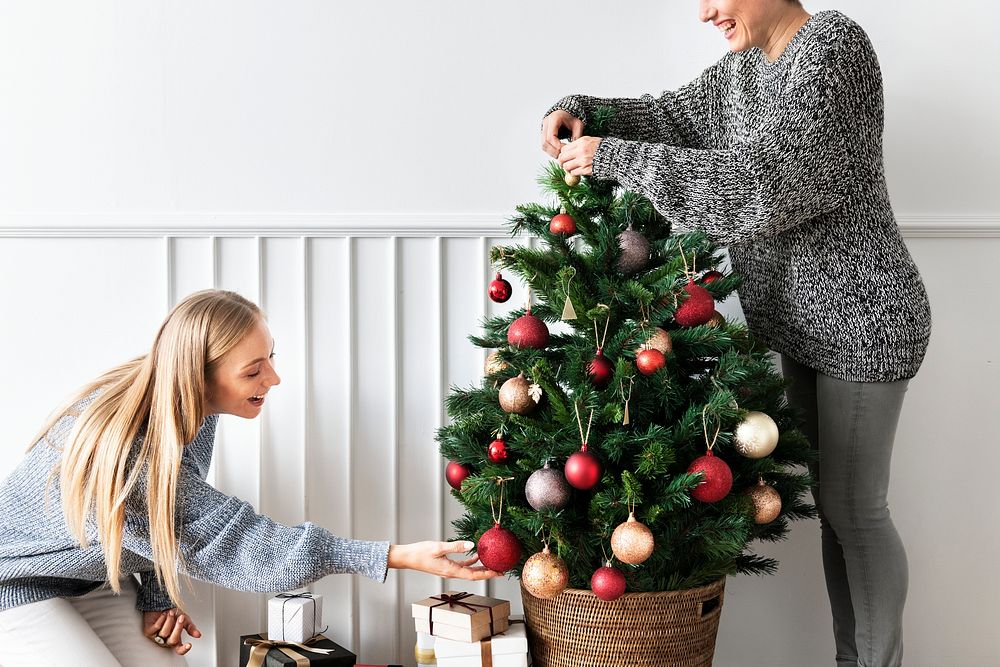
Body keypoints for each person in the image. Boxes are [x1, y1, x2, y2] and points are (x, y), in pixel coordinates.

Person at [542, 2, 931, 666]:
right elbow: (671, 117)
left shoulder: (833, 49)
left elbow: (760, 187)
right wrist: (583, 111)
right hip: (806, 327)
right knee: (840, 517)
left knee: (856, 513)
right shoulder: (746, 69)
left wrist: (616, 157)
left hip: (866, 322)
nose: (706, 11)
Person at [0, 289, 499, 666]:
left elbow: (161, 527)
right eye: (253, 370)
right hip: (16, 585)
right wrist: (396, 555)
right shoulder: (133, 460)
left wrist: (157, 598)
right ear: (199, 371)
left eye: (271, 358)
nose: (273, 380)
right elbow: (242, 545)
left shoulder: (186, 405)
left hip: (95, 575)